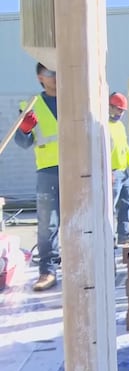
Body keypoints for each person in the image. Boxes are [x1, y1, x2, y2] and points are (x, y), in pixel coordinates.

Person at [15, 63, 61, 291]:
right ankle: (47, 271)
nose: (56, 76)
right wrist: (24, 129)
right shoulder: (31, 106)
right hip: (48, 170)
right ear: (40, 77)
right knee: (47, 224)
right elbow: (22, 142)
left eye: (58, 71)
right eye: (50, 73)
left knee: (83, 221)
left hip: (78, 168)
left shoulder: (77, 99)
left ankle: (84, 266)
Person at [108, 92, 129, 244]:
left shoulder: (120, 126)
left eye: (123, 111)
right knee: (110, 207)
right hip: (112, 172)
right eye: (118, 109)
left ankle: (124, 235)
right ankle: (109, 238)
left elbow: (124, 147)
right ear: (109, 107)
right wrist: (107, 171)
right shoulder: (103, 126)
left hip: (123, 172)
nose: (120, 113)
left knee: (127, 202)